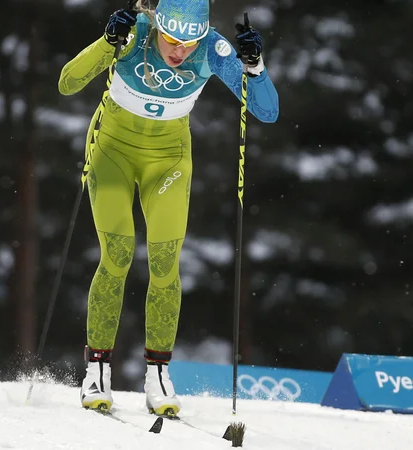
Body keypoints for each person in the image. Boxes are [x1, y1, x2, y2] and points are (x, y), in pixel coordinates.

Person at [57, 0, 279, 416]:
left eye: (189, 42)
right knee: (117, 256)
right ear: (157, 24)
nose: (180, 52)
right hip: (112, 152)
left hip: (170, 158)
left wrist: (255, 66)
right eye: (172, 39)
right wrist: (108, 44)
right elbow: (67, 83)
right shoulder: (135, 33)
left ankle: (157, 374)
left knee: (165, 261)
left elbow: (266, 111)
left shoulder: (212, 49)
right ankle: (97, 370)